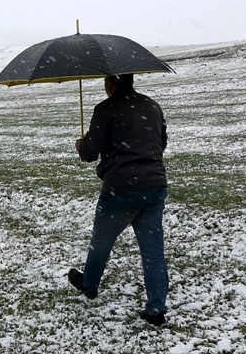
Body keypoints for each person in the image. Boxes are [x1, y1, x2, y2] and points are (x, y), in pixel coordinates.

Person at [68, 73, 170, 326]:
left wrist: (82, 145)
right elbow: (161, 142)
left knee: (101, 241)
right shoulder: (152, 105)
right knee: (153, 252)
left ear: (111, 83)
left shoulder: (105, 109)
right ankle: (156, 308)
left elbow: (90, 154)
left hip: (121, 188)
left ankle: (90, 284)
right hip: (154, 185)